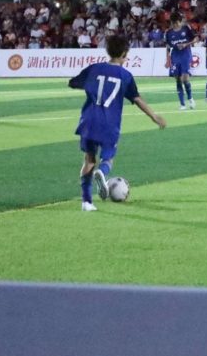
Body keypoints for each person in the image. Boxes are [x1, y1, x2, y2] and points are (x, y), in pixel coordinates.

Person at [69, 34, 166, 211]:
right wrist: (154, 116)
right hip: (109, 123)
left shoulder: (94, 68)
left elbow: (73, 83)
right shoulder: (125, 76)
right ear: (123, 54)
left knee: (89, 159)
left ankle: (86, 201)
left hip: (88, 121)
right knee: (108, 158)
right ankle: (102, 172)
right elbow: (137, 99)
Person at [165, 16, 198, 110]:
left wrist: (186, 44)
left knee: (185, 79)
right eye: (173, 23)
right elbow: (168, 46)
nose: (175, 25)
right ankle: (182, 104)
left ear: (180, 22)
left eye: (176, 23)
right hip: (175, 56)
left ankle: (190, 98)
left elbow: (195, 39)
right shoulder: (169, 32)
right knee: (178, 79)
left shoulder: (186, 28)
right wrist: (167, 59)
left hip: (186, 55)